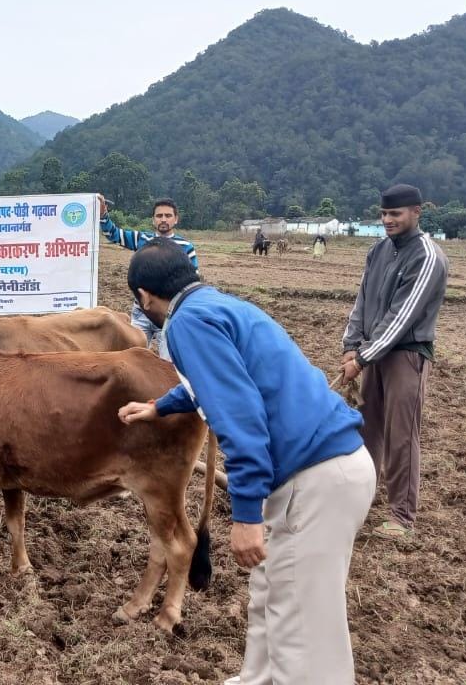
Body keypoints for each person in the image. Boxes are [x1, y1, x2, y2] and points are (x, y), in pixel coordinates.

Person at [116, 239, 374, 685]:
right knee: (271, 593)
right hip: (327, 467)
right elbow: (222, 380)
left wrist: (247, 515)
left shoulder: (186, 324)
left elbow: (241, 416)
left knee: (302, 624)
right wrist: (160, 406)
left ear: (143, 295)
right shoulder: (216, 305)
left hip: (314, 477)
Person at [340, 184, 448, 538]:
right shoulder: (378, 251)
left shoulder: (427, 257)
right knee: (367, 429)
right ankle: (361, 500)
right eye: (384, 214)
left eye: (395, 214)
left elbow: (401, 318)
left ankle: (402, 516)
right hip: (373, 352)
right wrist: (350, 345)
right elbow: (362, 300)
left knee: (401, 435)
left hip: (406, 355)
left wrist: (362, 357)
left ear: (416, 212)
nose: (388, 220)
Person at [97, 195, 198, 349]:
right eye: (159, 216)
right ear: (153, 219)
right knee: (134, 354)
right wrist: (103, 214)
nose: (163, 219)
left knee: (169, 357)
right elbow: (113, 234)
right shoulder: (142, 239)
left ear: (176, 219)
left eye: (168, 215)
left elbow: (192, 283)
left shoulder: (186, 247)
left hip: (169, 313)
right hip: (141, 311)